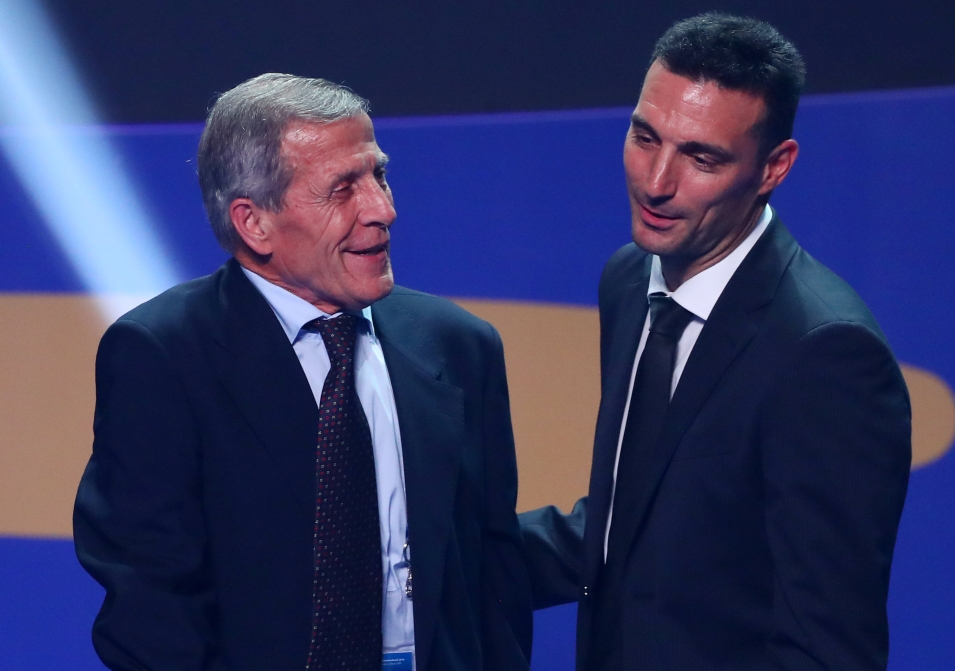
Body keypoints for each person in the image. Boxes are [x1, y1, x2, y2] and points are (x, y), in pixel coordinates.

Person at [74, 73, 531, 671]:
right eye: (343, 189)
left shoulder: (459, 346)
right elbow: (150, 603)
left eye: (380, 175)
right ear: (253, 222)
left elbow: (492, 574)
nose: (383, 209)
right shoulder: (163, 356)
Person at [520, 13, 911, 671]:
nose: (656, 181)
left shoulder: (826, 352)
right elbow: (632, 524)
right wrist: (431, 552)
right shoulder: (627, 279)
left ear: (773, 167)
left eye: (701, 157)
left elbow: (827, 647)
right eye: (645, 137)